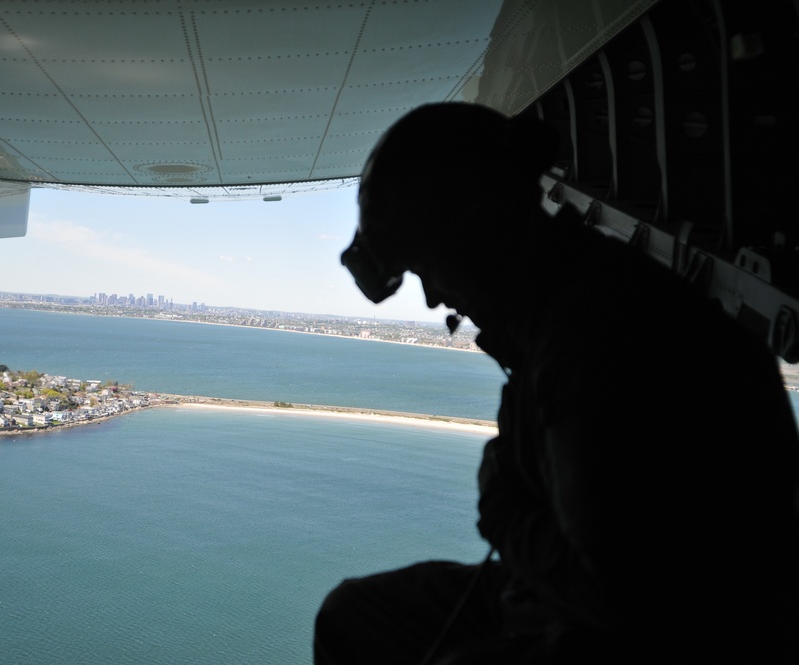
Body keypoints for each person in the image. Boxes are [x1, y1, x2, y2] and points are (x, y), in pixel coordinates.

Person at [315, 103, 799, 663]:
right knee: (353, 614)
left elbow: (622, 596)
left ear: (474, 231)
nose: (433, 297)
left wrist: (501, 511)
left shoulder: (591, 338)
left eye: (427, 267)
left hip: (697, 630)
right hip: (620, 600)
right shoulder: (572, 297)